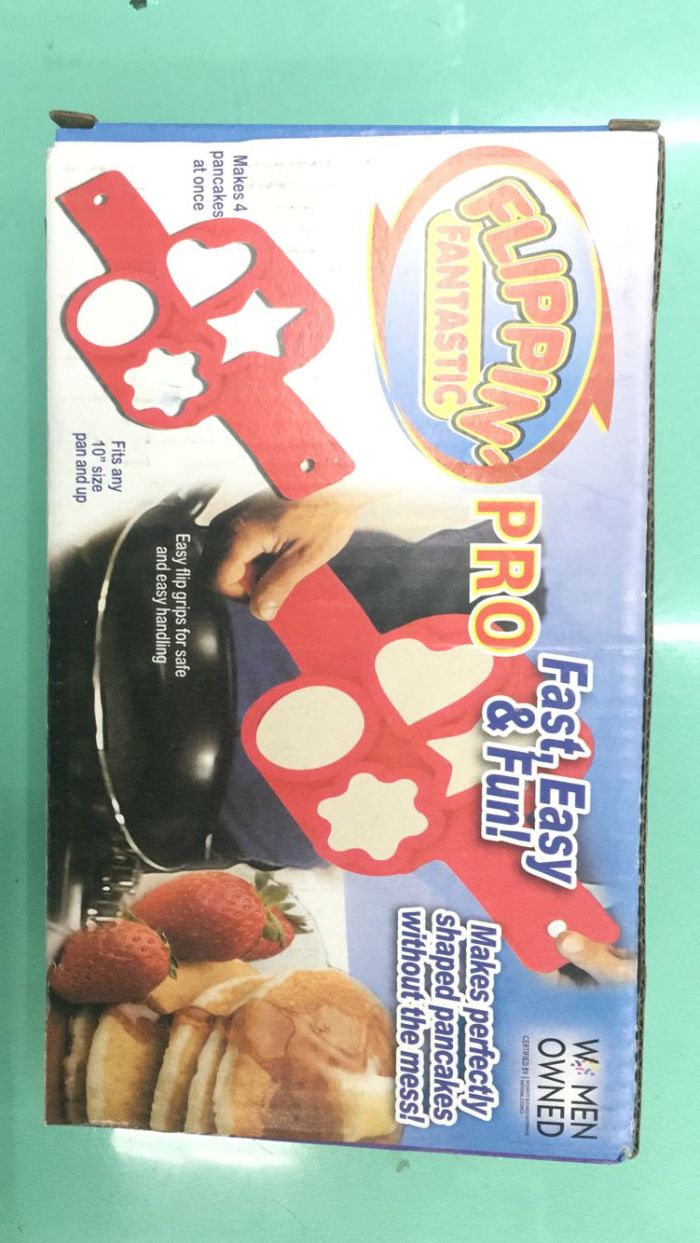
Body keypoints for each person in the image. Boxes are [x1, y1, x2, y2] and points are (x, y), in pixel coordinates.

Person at [203, 484, 636, 988]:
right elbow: (580, 471)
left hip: (236, 804)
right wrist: (336, 491)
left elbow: (595, 955)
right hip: (253, 593)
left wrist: (605, 974)